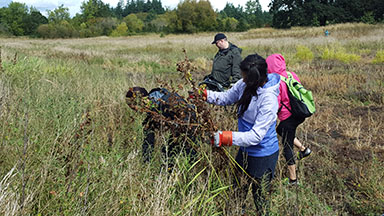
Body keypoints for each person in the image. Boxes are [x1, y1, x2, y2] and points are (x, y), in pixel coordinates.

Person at [205, 54, 280, 215]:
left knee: (260, 199)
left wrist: (226, 137)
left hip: (263, 155)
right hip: (245, 152)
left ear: (256, 79)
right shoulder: (244, 84)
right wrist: (206, 95)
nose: (243, 80)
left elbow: (256, 136)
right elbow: (226, 97)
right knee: (237, 193)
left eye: (246, 78)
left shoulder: (268, 100)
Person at [266, 53, 312, 185]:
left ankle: (293, 180)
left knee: (287, 146)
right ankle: (304, 150)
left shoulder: (275, 81)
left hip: (288, 117)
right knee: (281, 130)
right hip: (300, 113)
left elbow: (276, 102)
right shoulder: (291, 74)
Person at [125, 87, 197, 167]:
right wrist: (145, 163)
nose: (136, 110)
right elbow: (148, 140)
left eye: (135, 107)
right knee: (167, 152)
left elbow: (188, 119)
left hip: (190, 125)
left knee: (178, 153)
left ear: (142, 101)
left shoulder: (167, 102)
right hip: (181, 127)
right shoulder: (152, 108)